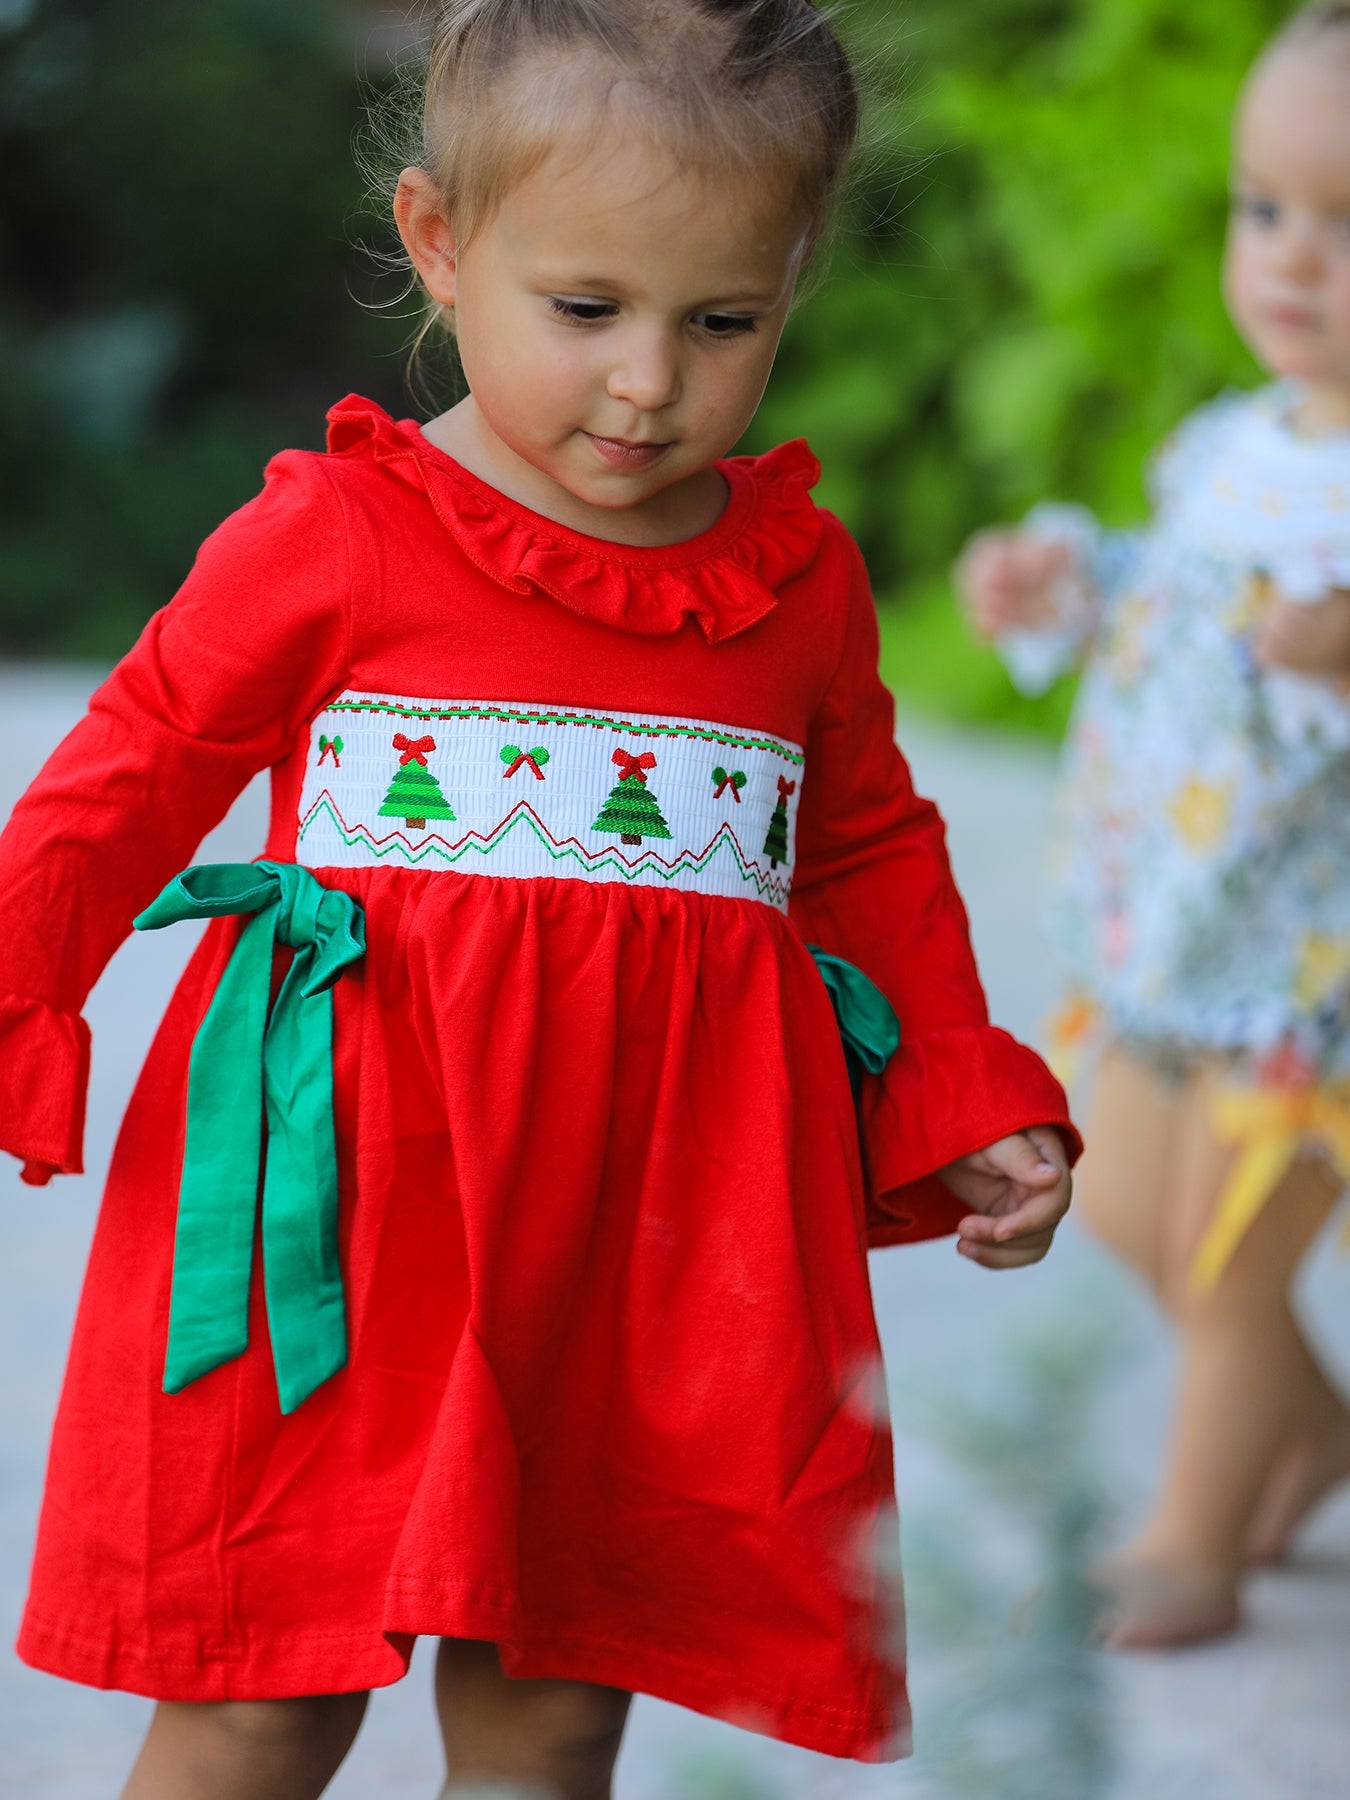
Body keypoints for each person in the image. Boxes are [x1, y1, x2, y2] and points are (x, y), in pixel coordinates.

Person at [0, 3, 1078, 1795]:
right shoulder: (339, 538)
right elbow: (132, 766)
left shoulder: (792, 582)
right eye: (586, 311)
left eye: (721, 321)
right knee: (265, 1686)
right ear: (439, 241)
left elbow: (870, 848)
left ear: (794, 275)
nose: (649, 381)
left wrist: (959, 1092)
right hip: (338, 1206)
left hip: (639, 1233)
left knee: (558, 1692)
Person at [957, 0, 1350, 1655]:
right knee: (1128, 1209)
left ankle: (1190, 1533)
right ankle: (1310, 1431)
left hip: (1308, 967)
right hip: (1164, 925)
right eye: (1263, 210)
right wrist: (1066, 580)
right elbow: (1165, 601)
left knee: (1226, 1255)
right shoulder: (1224, 451)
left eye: (1346, 226)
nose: (1291, 262)